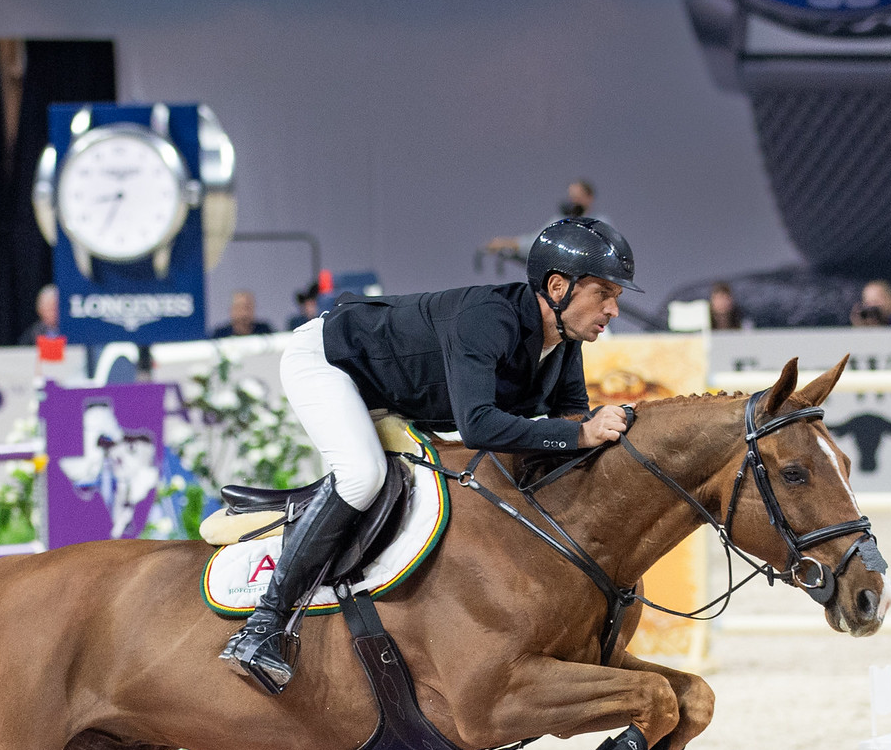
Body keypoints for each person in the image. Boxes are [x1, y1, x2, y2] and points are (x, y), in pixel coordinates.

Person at [220, 216, 638, 693]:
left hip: (392, 388)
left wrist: (591, 436)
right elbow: (479, 425)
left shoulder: (563, 341)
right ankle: (261, 627)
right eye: (604, 294)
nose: (613, 310)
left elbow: (567, 424)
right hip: (330, 360)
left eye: (617, 297)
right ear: (558, 286)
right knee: (362, 475)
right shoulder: (488, 319)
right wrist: (582, 435)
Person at [485, 178, 599, 258]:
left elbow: (542, 243)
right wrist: (508, 249)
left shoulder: (599, 223)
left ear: (589, 198)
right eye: (571, 198)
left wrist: (509, 243)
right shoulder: (561, 221)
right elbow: (538, 239)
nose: (572, 202)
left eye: (576, 197)